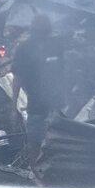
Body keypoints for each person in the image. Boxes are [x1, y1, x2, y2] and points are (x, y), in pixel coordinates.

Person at [11, 14, 66, 160]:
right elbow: (17, 79)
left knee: (57, 141)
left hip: (57, 104)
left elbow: (64, 72)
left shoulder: (56, 45)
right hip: (36, 105)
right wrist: (13, 106)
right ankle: (35, 173)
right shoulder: (24, 48)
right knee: (35, 142)